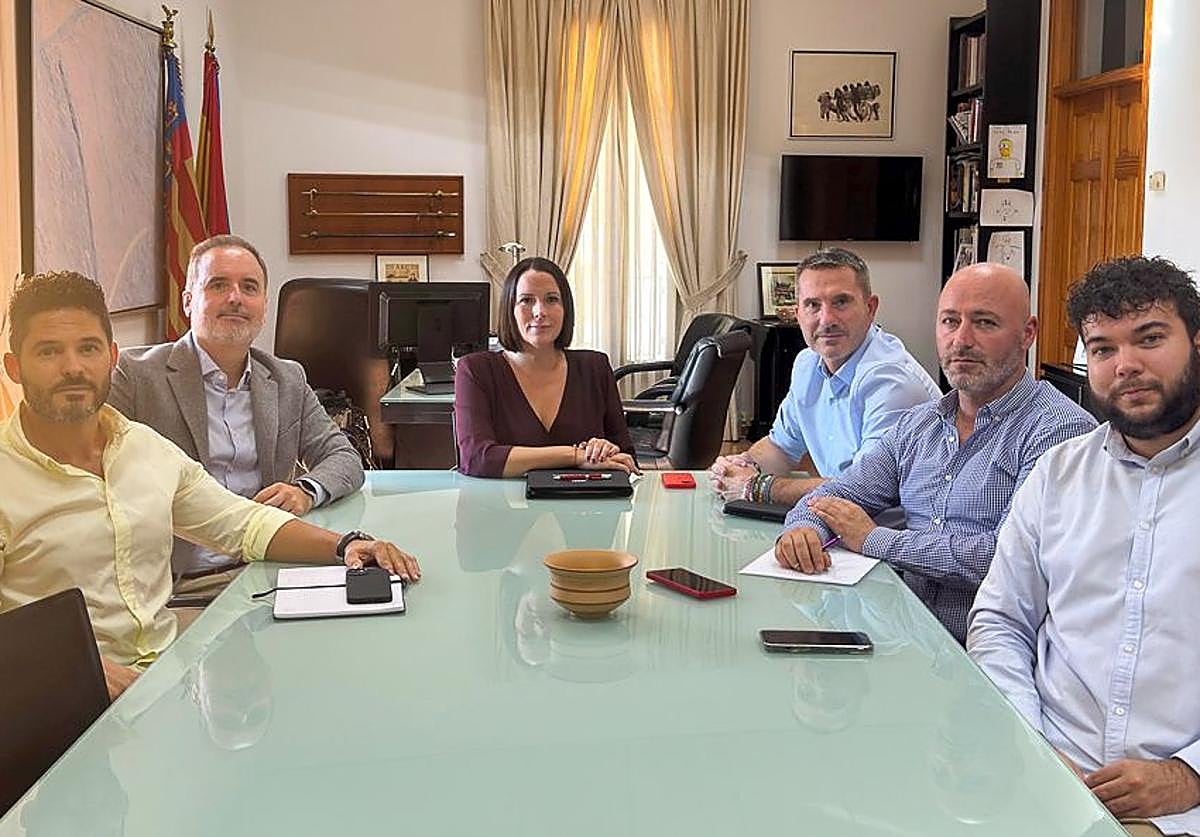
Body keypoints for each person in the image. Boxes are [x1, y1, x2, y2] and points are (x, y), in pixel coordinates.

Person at [0, 271, 421, 700]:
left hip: (163, 683)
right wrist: (74, 671)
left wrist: (346, 544)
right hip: (50, 701)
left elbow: (241, 522)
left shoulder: (145, 451)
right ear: (14, 367)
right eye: (49, 352)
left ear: (111, 356)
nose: (72, 367)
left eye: (87, 348)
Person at [969, 256, 1200, 837]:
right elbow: (1000, 619)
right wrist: (1031, 743)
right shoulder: (1058, 474)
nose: (1126, 365)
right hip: (1045, 774)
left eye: (1150, 339)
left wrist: (1188, 775)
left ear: (1196, 342)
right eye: (1101, 349)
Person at [775, 262, 1096, 643]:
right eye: (949, 322)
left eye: (985, 323)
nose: (962, 340)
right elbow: (833, 496)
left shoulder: (1060, 431)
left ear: (1027, 334)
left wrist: (874, 539)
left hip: (985, 657)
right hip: (901, 639)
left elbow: (1005, 557)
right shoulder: (919, 425)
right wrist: (803, 532)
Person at [108, 234, 364, 596]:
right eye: (218, 285)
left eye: (249, 287)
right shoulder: (134, 376)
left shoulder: (286, 377)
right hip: (175, 587)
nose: (235, 298)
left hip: (265, 571)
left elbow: (344, 458)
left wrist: (305, 491)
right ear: (188, 301)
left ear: (263, 306)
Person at [708, 248, 939, 506]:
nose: (826, 319)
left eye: (841, 302)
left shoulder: (892, 382)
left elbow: (861, 491)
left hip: (897, 534)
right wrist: (741, 466)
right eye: (812, 305)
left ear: (871, 307)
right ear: (798, 314)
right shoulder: (807, 364)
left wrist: (758, 486)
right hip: (840, 523)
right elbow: (780, 448)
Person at [454, 256, 637, 477]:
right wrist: (576, 456)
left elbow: (626, 456)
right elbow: (477, 459)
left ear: (565, 308)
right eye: (526, 300)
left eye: (551, 299)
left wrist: (604, 449)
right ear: (509, 309)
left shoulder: (595, 367)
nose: (540, 311)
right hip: (502, 507)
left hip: (583, 507)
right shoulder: (475, 370)